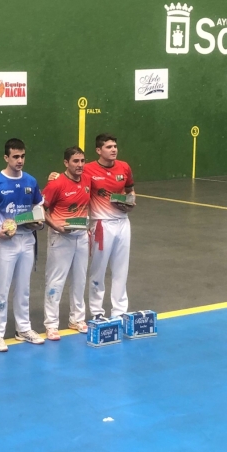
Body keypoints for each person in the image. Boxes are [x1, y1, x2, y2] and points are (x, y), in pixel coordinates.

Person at [0, 138, 45, 352]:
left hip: (27, 240)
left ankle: (23, 329)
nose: (20, 160)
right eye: (15, 157)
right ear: (6, 157)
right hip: (6, 243)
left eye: (22, 156)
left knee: (24, 287)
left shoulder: (31, 181)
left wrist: (38, 221)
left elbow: (38, 207)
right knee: (1, 288)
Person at [83, 133, 135, 319]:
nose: (113, 149)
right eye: (108, 147)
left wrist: (130, 201)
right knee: (99, 268)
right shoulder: (88, 169)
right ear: (98, 150)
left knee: (121, 268)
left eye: (115, 146)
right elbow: (72, 178)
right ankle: (97, 312)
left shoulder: (124, 167)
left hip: (123, 223)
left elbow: (130, 190)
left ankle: (120, 311)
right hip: (101, 225)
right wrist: (55, 176)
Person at [42, 147, 91, 340]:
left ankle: (77, 319)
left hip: (81, 237)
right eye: (75, 161)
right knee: (56, 281)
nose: (80, 165)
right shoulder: (56, 184)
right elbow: (40, 209)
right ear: (66, 163)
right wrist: (56, 226)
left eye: (82, 161)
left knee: (80, 279)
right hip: (60, 237)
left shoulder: (87, 178)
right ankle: (51, 324)